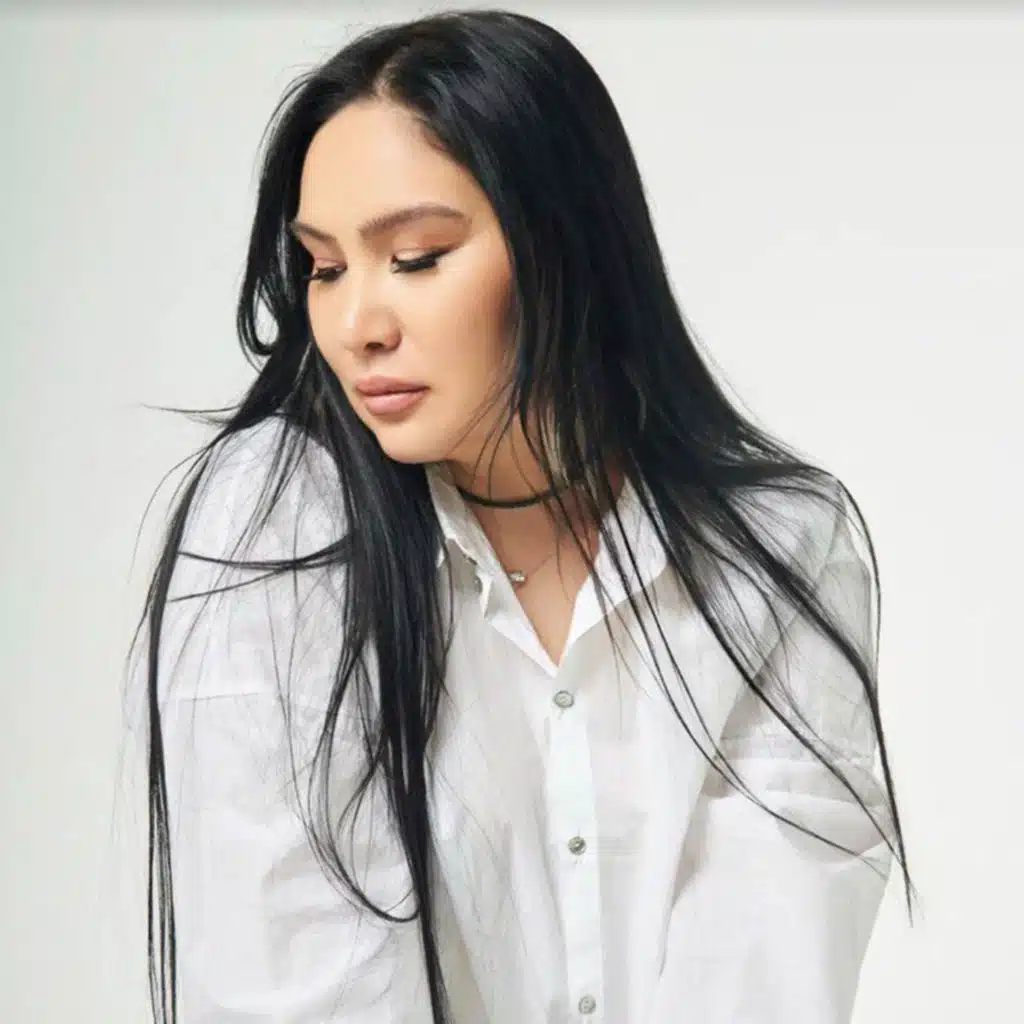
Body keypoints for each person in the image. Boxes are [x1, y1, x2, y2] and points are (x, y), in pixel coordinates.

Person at [130, 8, 915, 1023]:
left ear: (565, 246)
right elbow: (292, 984)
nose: (357, 324)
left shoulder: (779, 553)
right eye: (324, 267)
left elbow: (764, 976)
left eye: (416, 256)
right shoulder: (275, 525)